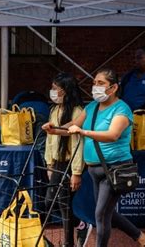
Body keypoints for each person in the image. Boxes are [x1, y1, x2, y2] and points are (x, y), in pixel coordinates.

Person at [43, 69, 145, 247]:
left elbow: (113, 135)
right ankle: (141, 237)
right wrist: (54, 129)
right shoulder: (91, 107)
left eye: (101, 83)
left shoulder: (122, 109)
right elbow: (72, 125)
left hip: (114, 167)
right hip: (95, 169)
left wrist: (83, 132)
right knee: (105, 212)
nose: (96, 87)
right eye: (95, 82)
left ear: (114, 87)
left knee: (101, 214)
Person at [44, 72, 92, 247]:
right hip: (57, 162)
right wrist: (49, 163)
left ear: (65, 90)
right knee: (52, 201)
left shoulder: (77, 112)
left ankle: (68, 242)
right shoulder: (54, 110)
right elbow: (50, 140)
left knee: (64, 203)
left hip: (71, 164)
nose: (52, 91)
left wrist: (76, 172)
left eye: (55, 89)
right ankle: (81, 225)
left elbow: (79, 143)